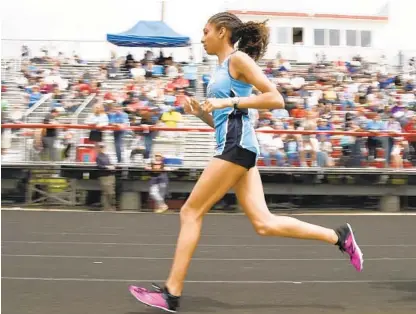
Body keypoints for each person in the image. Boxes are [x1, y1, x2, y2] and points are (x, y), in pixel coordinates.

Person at [129, 12, 364, 313]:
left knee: (190, 211)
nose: (202, 38)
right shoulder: (218, 70)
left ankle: (171, 293)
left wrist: (228, 102)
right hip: (237, 144)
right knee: (264, 224)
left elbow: (275, 98)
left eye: (206, 31)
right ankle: (339, 237)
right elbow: (222, 120)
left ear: (222, 32)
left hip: (236, 146)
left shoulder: (238, 60)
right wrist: (198, 113)